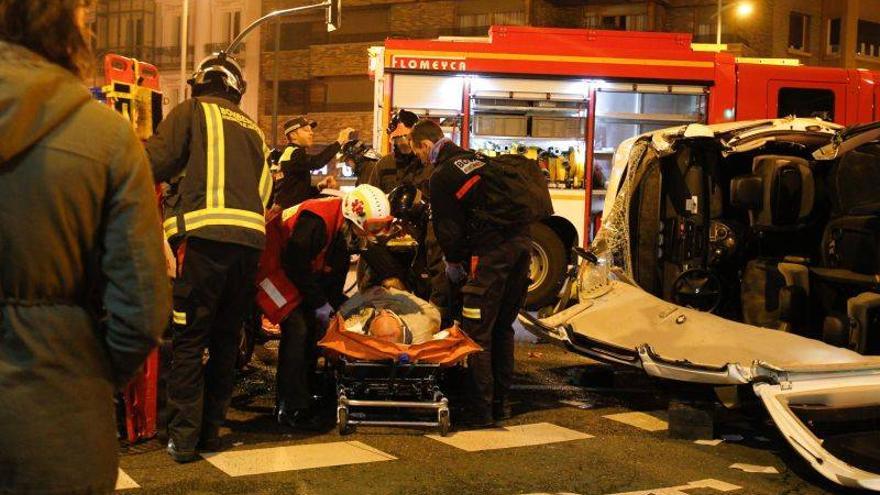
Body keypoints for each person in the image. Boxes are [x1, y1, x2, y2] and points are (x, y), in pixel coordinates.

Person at [0, 1, 171, 492]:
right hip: (57, 424)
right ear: (61, 24)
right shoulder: (107, 138)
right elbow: (141, 309)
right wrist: (86, 377)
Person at [146, 52, 271, 462]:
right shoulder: (253, 130)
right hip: (248, 245)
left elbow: (154, 163)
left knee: (187, 340)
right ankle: (210, 433)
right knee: (223, 341)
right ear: (236, 89)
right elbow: (265, 192)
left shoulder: (190, 112)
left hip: (202, 242)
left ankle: (182, 440)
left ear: (201, 82)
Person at [409, 119, 532, 427]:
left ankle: (481, 410)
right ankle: (502, 403)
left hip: (489, 257)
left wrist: (453, 263)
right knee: (503, 328)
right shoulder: (478, 159)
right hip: (519, 248)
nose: (420, 159)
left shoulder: (442, 176)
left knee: (479, 333)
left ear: (425, 145)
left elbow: (448, 229)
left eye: (418, 152)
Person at [255, 184, 394, 428]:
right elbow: (295, 262)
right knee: (297, 327)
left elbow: (332, 275)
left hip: (292, 269)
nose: (376, 234)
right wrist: (320, 303)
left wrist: (331, 307)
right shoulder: (317, 220)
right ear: (356, 217)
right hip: (268, 268)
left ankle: (307, 391)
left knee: (315, 325)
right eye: (373, 227)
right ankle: (289, 406)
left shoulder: (343, 228)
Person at [272, 115, 354, 209]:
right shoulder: (293, 153)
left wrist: (319, 187)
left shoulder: (291, 153)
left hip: (289, 211)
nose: (311, 133)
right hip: (291, 214)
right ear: (293, 135)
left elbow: (295, 192)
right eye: (306, 130)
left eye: (311, 130)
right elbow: (317, 162)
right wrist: (340, 141)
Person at [363, 109, 424, 193]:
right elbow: (372, 196)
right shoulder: (384, 164)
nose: (402, 143)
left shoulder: (427, 161)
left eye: (407, 138)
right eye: (397, 139)